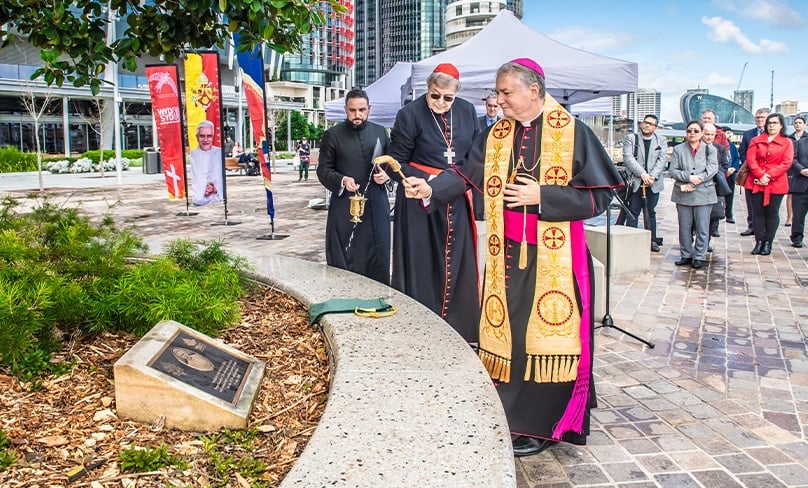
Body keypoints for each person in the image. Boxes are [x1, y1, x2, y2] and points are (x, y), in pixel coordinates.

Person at [467, 58, 623, 457]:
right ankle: (512, 413)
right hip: (507, 257)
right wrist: (429, 188)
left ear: (533, 90)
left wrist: (544, 197)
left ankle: (544, 423)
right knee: (515, 339)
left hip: (556, 260)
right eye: (497, 92)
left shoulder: (572, 132)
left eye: (505, 92)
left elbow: (599, 196)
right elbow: (468, 175)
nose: (498, 100)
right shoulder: (497, 134)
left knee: (548, 342)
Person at [383, 63, 480, 343]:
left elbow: (475, 157)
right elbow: (395, 163)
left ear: (456, 95)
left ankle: (460, 330)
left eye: (447, 98)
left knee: (457, 263)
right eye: (434, 95)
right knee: (422, 265)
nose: (440, 103)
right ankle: (421, 329)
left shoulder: (467, 112)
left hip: (456, 199)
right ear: (428, 89)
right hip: (417, 203)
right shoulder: (409, 114)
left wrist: (450, 181)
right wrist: (429, 178)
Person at [317, 89, 392, 285]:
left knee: (379, 253)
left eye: (361, 110)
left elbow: (390, 164)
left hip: (376, 203)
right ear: (345, 109)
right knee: (348, 254)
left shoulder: (380, 132)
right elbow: (323, 170)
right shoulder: (333, 135)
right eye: (352, 110)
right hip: (345, 207)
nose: (357, 115)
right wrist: (342, 180)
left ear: (369, 109)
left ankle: (379, 294)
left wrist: (386, 176)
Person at [669, 120, 718, 269]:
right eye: (690, 130)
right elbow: (673, 170)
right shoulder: (678, 149)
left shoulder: (710, 149)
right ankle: (686, 254)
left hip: (704, 192)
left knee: (703, 226)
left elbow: (712, 169)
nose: (692, 133)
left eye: (696, 131)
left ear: (702, 133)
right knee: (684, 226)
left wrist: (697, 180)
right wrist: (688, 177)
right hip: (683, 192)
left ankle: (699, 256)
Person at [744, 112, 794, 255]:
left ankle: (768, 242)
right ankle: (759, 241)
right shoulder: (756, 140)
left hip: (776, 183)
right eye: (770, 123)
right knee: (757, 213)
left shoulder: (787, 142)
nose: (771, 125)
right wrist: (760, 174)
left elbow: (787, 162)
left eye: (775, 123)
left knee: (772, 213)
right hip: (756, 181)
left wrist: (769, 175)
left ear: (781, 125)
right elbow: (751, 159)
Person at [618, 114, 667, 252]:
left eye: (651, 124)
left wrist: (652, 176)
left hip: (653, 183)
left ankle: (652, 240)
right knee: (633, 211)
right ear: (641, 124)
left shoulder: (661, 140)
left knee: (650, 212)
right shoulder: (631, 138)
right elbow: (628, 158)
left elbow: (662, 160)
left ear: (655, 127)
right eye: (645, 122)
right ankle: (629, 240)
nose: (647, 125)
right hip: (635, 182)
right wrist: (643, 174)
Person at [739, 108, 771, 236]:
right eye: (757, 117)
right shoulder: (748, 134)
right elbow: (742, 152)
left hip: (768, 175)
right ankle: (752, 226)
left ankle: (765, 228)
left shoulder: (773, 134)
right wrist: (750, 166)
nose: (760, 120)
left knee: (767, 203)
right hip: (751, 173)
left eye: (762, 117)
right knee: (751, 202)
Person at [702, 123, 730, 244]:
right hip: (696, 185)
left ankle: (706, 242)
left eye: (712, 135)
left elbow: (725, 165)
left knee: (710, 216)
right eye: (707, 134)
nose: (709, 137)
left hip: (713, 185)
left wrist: (715, 172)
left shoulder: (720, 148)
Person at [189, 120, 224, 206]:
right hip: (198, 201)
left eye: (209, 136)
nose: (205, 140)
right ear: (197, 137)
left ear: (213, 137)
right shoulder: (192, 155)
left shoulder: (220, 153)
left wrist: (216, 188)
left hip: (217, 201)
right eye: (202, 136)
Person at [786, 116, 807, 227]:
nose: (798, 124)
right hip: (792, 170)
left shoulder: (806, 138)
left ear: (805, 124)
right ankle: (789, 218)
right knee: (790, 194)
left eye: (800, 122)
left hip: (804, 172)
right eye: (796, 122)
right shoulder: (789, 138)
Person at [789, 133, 808, 248]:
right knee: (798, 214)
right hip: (801, 183)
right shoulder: (800, 143)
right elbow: (792, 159)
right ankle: (797, 237)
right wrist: (801, 170)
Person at [722, 127, 741, 223]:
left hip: (731, 175)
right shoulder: (719, 145)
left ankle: (729, 215)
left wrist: (734, 168)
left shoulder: (732, 146)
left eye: (730, 133)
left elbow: (737, 158)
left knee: (730, 195)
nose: (728, 135)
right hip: (721, 174)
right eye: (726, 132)